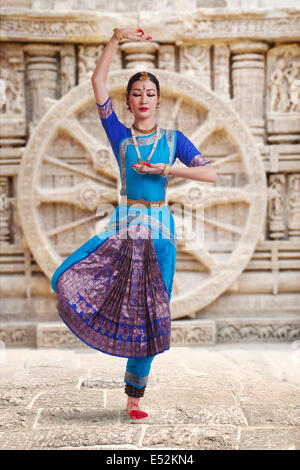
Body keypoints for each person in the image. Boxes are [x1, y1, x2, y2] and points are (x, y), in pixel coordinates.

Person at [50, 28, 217, 420]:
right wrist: (114, 39)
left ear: (159, 101)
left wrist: (167, 168)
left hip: (159, 230)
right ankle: (99, 323)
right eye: (137, 94)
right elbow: (97, 81)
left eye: (150, 94)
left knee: (152, 311)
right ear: (128, 102)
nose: (143, 99)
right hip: (122, 224)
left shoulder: (175, 139)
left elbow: (210, 174)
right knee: (64, 273)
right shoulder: (120, 137)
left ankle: (134, 397)